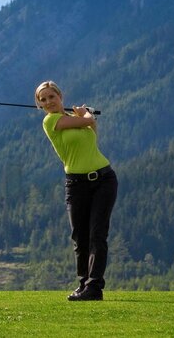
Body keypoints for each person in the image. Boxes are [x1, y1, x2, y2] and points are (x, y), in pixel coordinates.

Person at [35, 80, 118, 301]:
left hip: (104, 179)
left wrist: (86, 119)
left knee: (97, 235)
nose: (48, 102)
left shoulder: (74, 120)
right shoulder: (50, 121)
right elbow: (88, 122)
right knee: (80, 237)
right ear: (39, 105)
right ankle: (84, 284)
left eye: (52, 96)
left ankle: (94, 287)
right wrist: (87, 116)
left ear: (60, 96)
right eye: (43, 100)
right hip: (76, 184)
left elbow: (91, 132)